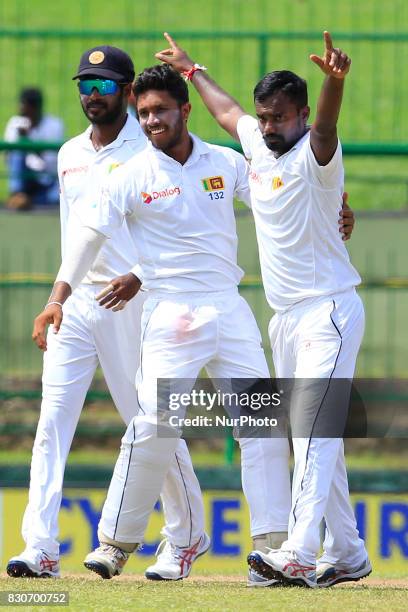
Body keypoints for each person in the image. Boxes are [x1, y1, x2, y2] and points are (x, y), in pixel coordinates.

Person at [31, 64, 296, 585]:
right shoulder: (130, 177)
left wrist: (339, 208)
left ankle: (273, 550)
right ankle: (116, 543)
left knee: (262, 426)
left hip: (230, 307)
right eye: (144, 111)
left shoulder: (224, 162)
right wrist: (57, 296)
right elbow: (87, 237)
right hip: (171, 313)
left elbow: (280, 192)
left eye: (160, 111)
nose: (151, 120)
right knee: (153, 425)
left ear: (185, 111)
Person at [155, 32, 371, 588]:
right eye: (265, 117)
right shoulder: (259, 142)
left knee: (312, 432)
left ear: (299, 114)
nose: (269, 126)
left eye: (279, 117)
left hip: (328, 311)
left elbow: (325, 126)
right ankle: (346, 552)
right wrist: (190, 68)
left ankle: (299, 551)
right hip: (285, 319)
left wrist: (335, 83)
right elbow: (227, 113)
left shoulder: (316, 156)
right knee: (316, 438)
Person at [7, 47, 207, 582]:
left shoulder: (151, 149)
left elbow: (182, 222)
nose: (92, 96)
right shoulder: (69, 152)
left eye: (103, 86)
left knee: (147, 422)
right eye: (85, 86)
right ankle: (41, 546)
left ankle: (185, 536)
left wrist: (141, 272)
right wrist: (56, 298)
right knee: (51, 423)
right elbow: (76, 236)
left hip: (131, 304)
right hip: (76, 306)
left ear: (126, 90)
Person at [4, 88, 64, 210]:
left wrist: (29, 141)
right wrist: (22, 140)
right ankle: (17, 193)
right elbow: (9, 157)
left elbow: (52, 163)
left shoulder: (54, 125)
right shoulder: (16, 122)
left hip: (46, 178)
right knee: (17, 151)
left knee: (52, 200)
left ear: (35, 108)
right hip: (24, 175)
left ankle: (26, 201)